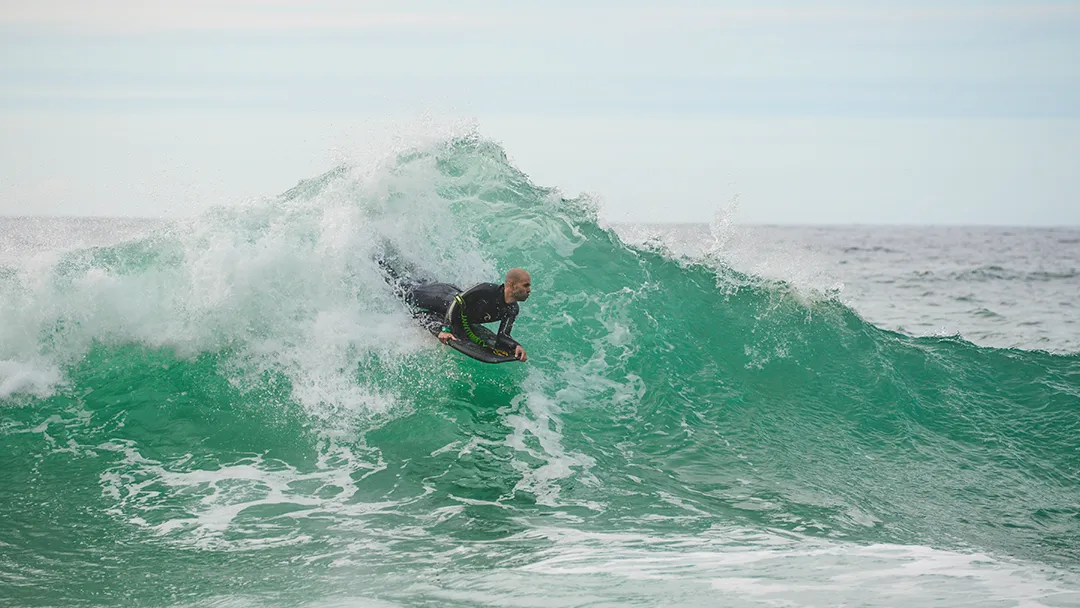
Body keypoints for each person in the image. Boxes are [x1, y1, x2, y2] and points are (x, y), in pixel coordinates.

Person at [395, 267, 532, 361]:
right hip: (440, 297)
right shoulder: (487, 289)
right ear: (512, 284)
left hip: (452, 306)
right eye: (526, 285)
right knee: (404, 291)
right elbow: (457, 301)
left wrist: (515, 346)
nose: (529, 290)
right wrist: (446, 329)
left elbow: (503, 336)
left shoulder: (512, 309)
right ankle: (379, 263)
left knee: (413, 283)